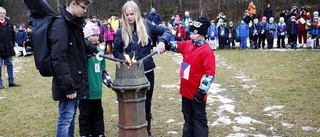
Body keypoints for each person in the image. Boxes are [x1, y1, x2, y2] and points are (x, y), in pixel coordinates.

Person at [113, 1, 171, 137]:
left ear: (137, 14)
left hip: (147, 71)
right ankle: (133, 127)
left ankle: (146, 130)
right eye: (126, 14)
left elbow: (166, 31)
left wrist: (162, 41)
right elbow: (116, 51)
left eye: (132, 14)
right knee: (132, 103)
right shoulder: (121, 31)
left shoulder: (147, 25)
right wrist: (123, 59)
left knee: (146, 102)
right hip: (130, 75)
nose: (129, 17)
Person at [48, 0, 92, 136]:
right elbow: (58, 58)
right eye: (83, 7)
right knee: (65, 119)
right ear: (73, 3)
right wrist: (68, 86)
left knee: (71, 117)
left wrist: (93, 48)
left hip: (75, 79)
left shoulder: (73, 23)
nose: (85, 11)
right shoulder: (60, 24)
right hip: (68, 84)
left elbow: (80, 43)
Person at [167, 17, 215, 137]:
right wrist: (167, 45)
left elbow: (209, 74)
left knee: (198, 120)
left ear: (202, 34)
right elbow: (177, 46)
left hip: (196, 94)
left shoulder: (207, 51)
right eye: (191, 31)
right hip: (185, 92)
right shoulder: (188, 45)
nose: (191, 35)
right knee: (188, 118)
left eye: (195, 32)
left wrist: (201, 92)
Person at [79, 21, 111, 137]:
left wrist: (108, 80)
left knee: (98, 114)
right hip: (85, 91)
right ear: (86, 36)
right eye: (93, 35)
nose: (95, 38)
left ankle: (99, 134)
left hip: (97, 91)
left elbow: (102, 70)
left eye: (97, 35)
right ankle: (85, 134)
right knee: (85, 115)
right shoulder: (82, 52)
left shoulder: (100, 52)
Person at [0, 7, 20, 89]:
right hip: (0, 49)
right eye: (0, 13)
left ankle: (11, 81)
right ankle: (0, 83)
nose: (2, 15)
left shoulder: (9, 23)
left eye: (3, 13)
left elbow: (13, 35)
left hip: (8, 48)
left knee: (10, 64)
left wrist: (12, 44)